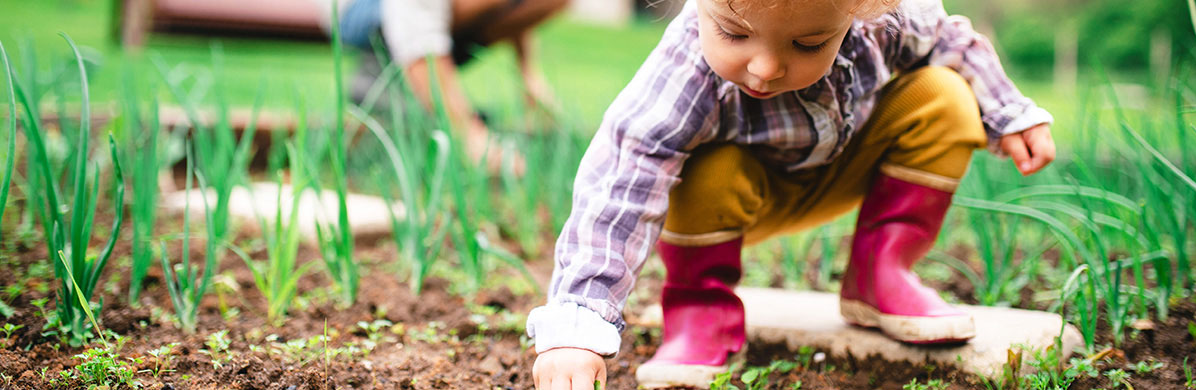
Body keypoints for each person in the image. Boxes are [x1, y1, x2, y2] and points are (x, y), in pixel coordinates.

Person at [524, 0, 1056, 388]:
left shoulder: (883, 23)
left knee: (945, 96)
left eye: (807, 44)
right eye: (734, 35)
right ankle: (700, 308)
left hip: (847, 169)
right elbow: (622, 177)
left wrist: (1007, 111)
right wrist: (579, 322)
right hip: (733, 202)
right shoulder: (683, 73)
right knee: (699, 162)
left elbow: (951, 40)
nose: (766, 67)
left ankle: (880, 272)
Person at [327, 0, 568, 172]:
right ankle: (384, 78)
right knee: (417, 30)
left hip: (426, 14)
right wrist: (469, 134)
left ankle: (415, 86)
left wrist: (528, 74)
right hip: (359, 9)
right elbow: (413, 13)